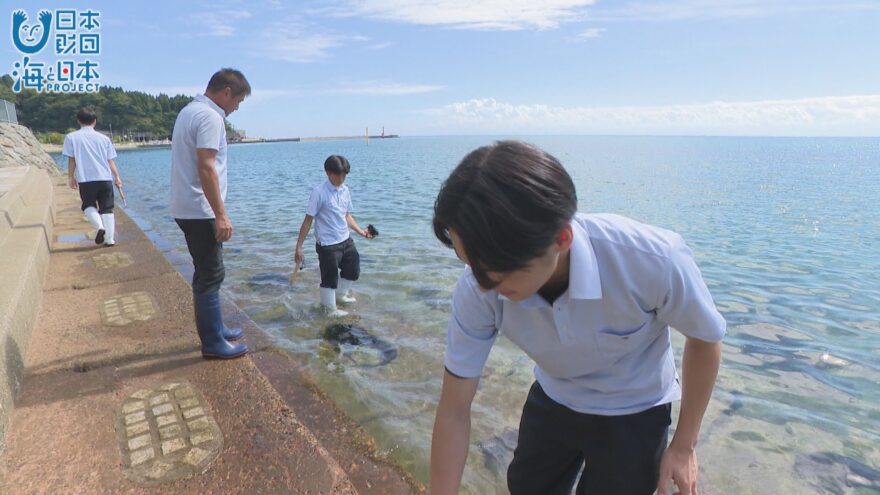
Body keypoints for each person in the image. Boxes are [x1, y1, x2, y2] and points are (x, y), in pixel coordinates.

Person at [429, 141, 725, 495]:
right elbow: (454, 410)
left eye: (498, 269)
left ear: (561, 238)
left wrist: (684, 445)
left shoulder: (652, 259)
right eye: (469, 262)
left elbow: (706, 337)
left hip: (636, 407)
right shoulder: (479, 285)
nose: (483, 283)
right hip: (554, 397)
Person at [170, 68, 251, 359]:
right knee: (211, 273)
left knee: (205, 271)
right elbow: (206, 166)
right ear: (226, 92)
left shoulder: (189, 111)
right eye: (238, 101)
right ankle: (213, 343)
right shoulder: (210, 117)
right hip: (200, 209)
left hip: (186, 205)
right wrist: (221, 214)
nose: (236, 108)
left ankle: (215, 328)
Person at [294, 155, 373, 317]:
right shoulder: (319, 193)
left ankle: (341, 296)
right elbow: (308, 220)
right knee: (329, 278)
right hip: (327, 244)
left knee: (354, 268)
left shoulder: (345, 190)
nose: (342, 178)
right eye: (339, 175)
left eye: (345, 175)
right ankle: (329, 309)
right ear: (328, 173)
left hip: (345, 239)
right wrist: (299, 247)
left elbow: (346, 215)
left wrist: (361, 231)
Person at [63, 108, 122, 247]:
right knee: (107, 208)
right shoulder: (104, 138)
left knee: (88, 205)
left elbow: (72, 160)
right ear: (94, 121)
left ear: (78, 121)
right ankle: (109, 239)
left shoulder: (71, 137)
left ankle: (100, 227)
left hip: (86, 179)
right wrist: (117, 177)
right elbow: (110, 161)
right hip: (105, 178)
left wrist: (71, 177)